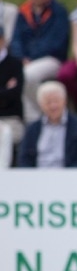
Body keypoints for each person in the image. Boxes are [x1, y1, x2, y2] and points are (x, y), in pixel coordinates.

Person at [10, 0, 70, 123]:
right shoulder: (23, 12)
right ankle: (31, 116)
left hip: (52, 60)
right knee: (17, 73)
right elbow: (16, 40)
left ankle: (37, 117)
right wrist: (21, 57)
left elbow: (56, 43)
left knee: (27, 75)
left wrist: (31, 58)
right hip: (26, 61)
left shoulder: (59, 12)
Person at [17, 81, 77, 168]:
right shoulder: (32, 128)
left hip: (69, 177)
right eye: (48, 102)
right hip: (37, 177)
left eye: (56, 101)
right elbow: (24, 160)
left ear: (64, 101)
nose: (53, 106)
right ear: (40, 104)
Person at [0, 24, 24, 167]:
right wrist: (4, 91)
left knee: (6, 134)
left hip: (10, 117)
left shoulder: (14, 64)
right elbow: (7, 95)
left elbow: (15, 94)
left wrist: (6, 95)